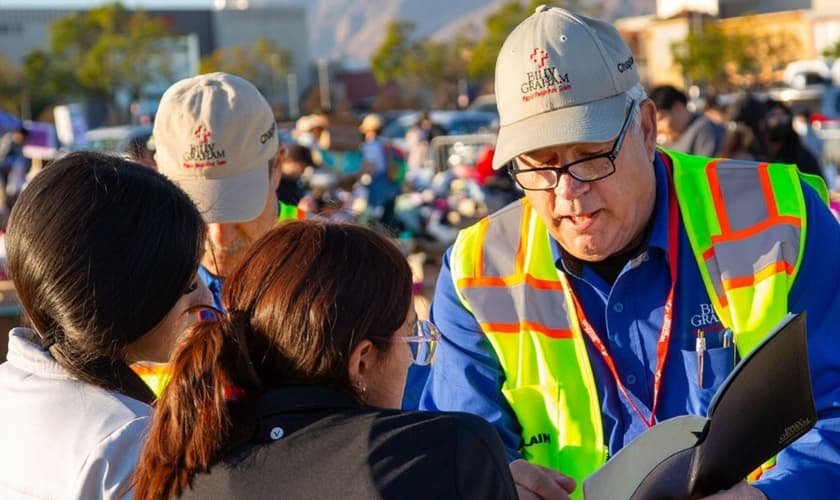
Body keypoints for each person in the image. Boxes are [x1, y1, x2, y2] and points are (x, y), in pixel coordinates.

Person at [416, 6, 840, 500]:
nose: (568, 192)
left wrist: (771, 496)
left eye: (589, 156)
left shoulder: (781, 217)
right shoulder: (476, 273)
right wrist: (490, 483)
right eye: (539, 165)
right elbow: (458, 451)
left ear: (646, 128)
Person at [132, 220, 517, 500]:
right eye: (409, 336)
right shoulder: (443, 451)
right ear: (362, 360)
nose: (411, 358)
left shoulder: (186, 466)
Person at [0, 151, 211, 499]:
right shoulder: (127, 443)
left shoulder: (11, 384)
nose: (206, 296)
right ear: (127, 296)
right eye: (187, 282)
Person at [650, 84, 724, 157]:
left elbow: (705, 163)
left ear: (678, 108)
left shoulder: (703, 128)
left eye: (660, 119)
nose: (658, 128)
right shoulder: (666, 140)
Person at [764, 98, 825, 180]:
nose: (778, 120)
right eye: (772, 115)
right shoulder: (754, 155)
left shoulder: (802, 156)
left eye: (782, 116)